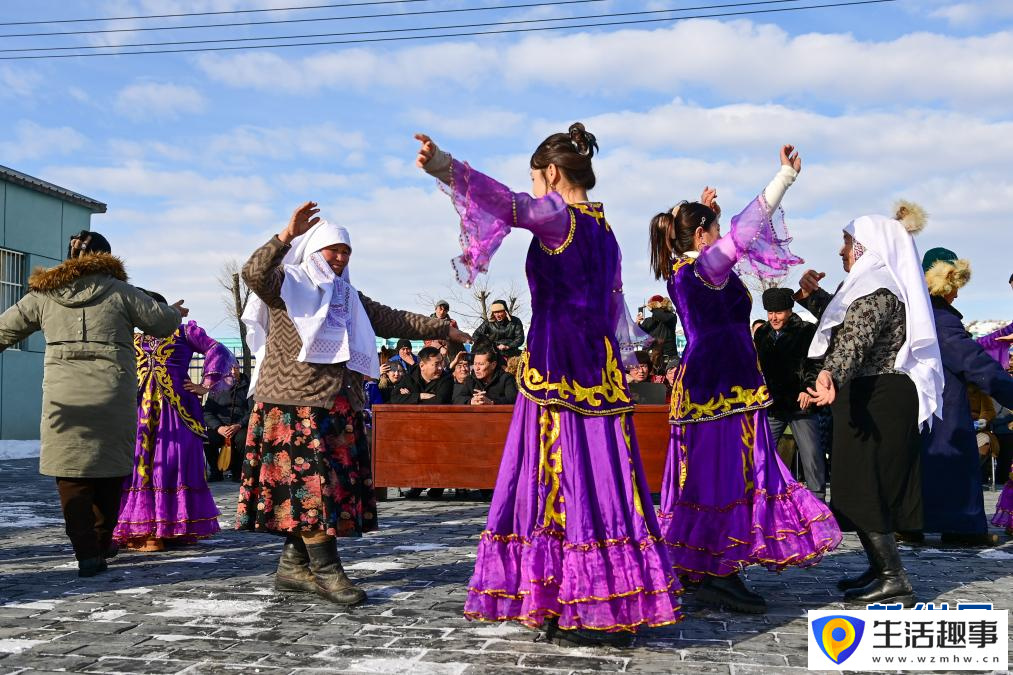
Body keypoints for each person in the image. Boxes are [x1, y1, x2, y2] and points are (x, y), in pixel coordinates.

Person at [417, 123, 680, 646]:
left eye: (537, 179)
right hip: (599, 370)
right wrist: (622, 362)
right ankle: (614, 592)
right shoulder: (604, 229)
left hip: (558, 365)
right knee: (607, 479)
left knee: (559, 478)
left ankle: (577, 599)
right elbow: (613, 306)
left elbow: (509, 205)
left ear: (553, 174)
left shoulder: (558, 214)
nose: (535, 188)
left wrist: (446, 167)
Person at [238, 204, 468, 605]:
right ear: (314, 250)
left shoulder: (346, 296)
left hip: (335, 404)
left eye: (346, 251)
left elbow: (392, 319)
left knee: (328, 491)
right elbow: (252, 273)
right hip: (294, 405)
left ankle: (293, 566)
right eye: (334, 250)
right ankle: (327, 572)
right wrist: (284, 235)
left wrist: (442, 328)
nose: (341, 258)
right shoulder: (287, 285)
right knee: (312, 491)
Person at [650, 145, 840, 614]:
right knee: (722, 478)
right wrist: (784, 178)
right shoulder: (702, 266)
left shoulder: (686, 266)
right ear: (701, 235)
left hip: (714, 384)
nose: (722, 238)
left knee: (711, 478)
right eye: (712, 229)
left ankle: (703, 565)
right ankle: (718, 570)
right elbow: (745, 229)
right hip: (720, 388)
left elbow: (718, 240)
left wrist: (702, 214)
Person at [0, 232, 183, 576]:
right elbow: (163, 323)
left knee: (72, 476)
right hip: (112, 395)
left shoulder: (42, 294)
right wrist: (172, 311)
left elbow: (3, 330)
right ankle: (102, 543)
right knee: (110, 471)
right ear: (108, 257)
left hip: (63, 400)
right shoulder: (123, 292)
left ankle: (85, 551)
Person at [801, 201, 943, 608]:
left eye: (847, 243)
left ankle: (893, 577)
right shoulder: (872, 290)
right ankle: (879, 568)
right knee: (859, 485)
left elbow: (853, 341)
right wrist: (811, 297)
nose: (842, 251)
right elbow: (848, 323)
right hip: (872, 396)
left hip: (879, 397)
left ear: (865, 247)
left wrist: (832, 375)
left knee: (865, 486)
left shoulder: (877, 290)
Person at [114, 296, 235, 551]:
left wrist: (206, 385)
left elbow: (218, 350)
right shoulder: (131, 336)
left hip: (176, 411)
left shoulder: (184, 331)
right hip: (137, 411)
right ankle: (145, 529)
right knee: (139, 464)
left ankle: (169, 528)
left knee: (171, 462)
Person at [916, 248, 1013, 546]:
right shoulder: (940, 319)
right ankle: (961, 528)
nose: (957, 294)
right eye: (955, 286)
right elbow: (974, 363)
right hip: (943, 407)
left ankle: (913, 523)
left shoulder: (918, 314)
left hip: (923, 408)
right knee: (954, 460)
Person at [753, 287, 825, 500]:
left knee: (811, 454)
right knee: (761, 453)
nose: (774, 317)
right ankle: (760, 496)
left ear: (790, 310)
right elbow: (757, 366)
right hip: (773, 403)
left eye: (779, 312)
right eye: (770, 313)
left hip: (800, 403)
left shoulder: (806, 330)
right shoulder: (762, 333)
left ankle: (818, 501)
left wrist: (808, 390)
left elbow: (816, 364)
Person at [203, 363, 252, 483]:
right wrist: (218, 427)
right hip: (220, 426)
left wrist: (239, 425)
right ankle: (216, 472)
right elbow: (207, 412)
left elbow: (252, 410)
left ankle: (238, 472)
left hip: (240, 426)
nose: (232, 371)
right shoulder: (216, 387)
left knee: (243, 439)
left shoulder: (249, 386)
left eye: (235, 368)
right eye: (229, 369)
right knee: (207, 438)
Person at [453, 342, 518, 405]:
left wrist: (491, 402)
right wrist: (471, 401)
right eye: (475, 364)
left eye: (481, 364)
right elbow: (458, 399)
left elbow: (513, 400)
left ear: (493, 365)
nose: (476, 368)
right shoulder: (471, 379)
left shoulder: (506, 379)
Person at [637, 295, 680, 364]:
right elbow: (639, 334)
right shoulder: (649, 320)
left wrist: (653, 309)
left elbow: (664, 317)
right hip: (651, 357)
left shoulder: (671, 317)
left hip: (667, 357)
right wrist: (638, 323)